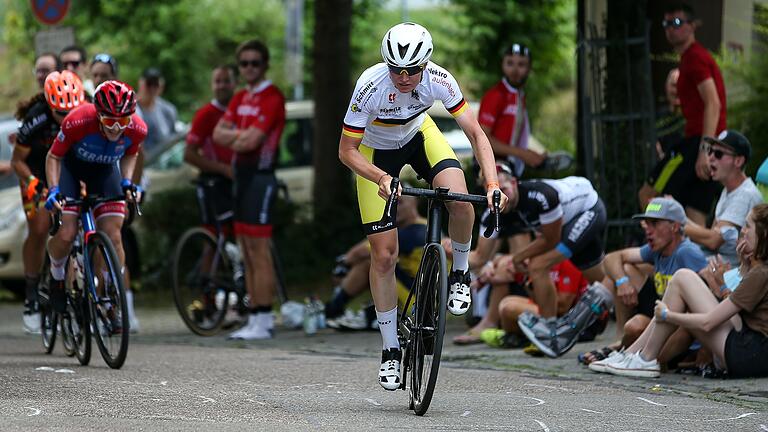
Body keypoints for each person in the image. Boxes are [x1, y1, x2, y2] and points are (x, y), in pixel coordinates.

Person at [338, 22, 507, 390]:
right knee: (384, 255)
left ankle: (461, 273)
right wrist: (380, 177)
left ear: (425, 65)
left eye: (412, 70)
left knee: (460, 200)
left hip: (419, 134)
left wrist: (492, 184)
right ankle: (391, 349)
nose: (403, 77)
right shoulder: (370, 86)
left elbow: (477, 135)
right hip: (374, 151)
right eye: (395, 68)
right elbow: (346, 151)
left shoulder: (440, 80)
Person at [601, 204, 768, 379]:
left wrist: (667, 315)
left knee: (682, 278)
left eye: (748, 226)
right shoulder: (759, 271)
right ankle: (634, 354)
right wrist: (743, 268)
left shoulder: (761, 273)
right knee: (681, 279)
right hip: (749, 347)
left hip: (746, 355)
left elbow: (707, 323)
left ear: (763, 234)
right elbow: (739, 311)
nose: (742, 231)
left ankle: (643, 357)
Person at [44, 80, 145, 325]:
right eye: (110, 121)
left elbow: (132, 153)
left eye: (123, 121)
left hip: (105, 172)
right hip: (71, 169)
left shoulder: (138, 128)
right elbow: (54, 156)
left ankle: (110, 294)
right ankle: (57, 275)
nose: (117, 128)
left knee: (114, 234)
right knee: (67, 233)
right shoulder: (77, 121)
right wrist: (55, 190)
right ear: (98, 114)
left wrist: (128, 182)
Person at [213, 40, 286, 341]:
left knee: (259, 251)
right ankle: (254, 315)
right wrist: (240, 136)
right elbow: (218, 134)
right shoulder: (240, 95)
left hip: (261, 177)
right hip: (240, 177)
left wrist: (237, 136)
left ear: (265, 64)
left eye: (255, 62)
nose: (249, 68)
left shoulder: (272, 97)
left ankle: (264, 318)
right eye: (244, 63)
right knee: (244, 247)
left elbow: (251, 142)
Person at [584, 197, 707, 364]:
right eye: (646, 223)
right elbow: (612, 258)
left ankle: (624, 351)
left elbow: (701, 308)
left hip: (682, 333)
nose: (648, 230)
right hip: (663, 318)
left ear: (675, 226)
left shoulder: (687, 252)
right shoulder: (656, 249)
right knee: (624, 270)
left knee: (635, 326)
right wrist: (622, 283)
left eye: (654, 223)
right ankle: (620, 343)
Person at [638, 2, 726, 226]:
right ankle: (686, 257)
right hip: (711, 145)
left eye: (677, 22)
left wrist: (704, 151)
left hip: (698, 144)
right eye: (666, 23)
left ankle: (657, 248)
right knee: (694, 214)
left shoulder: (694, 58)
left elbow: (713, 103)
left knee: (648, 196)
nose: (670, 28)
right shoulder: (689, 60)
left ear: (692, 25)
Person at [12, 71, 85, 333]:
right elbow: (16, 161)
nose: (67, 118)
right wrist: (33, 183)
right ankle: (31, 295)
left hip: (68, 172)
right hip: (36, 175)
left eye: (71, 112)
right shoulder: (37, 118)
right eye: (60, 113)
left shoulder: (86, 109)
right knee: (41, 227)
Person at [326, 192, 426, 329]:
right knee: (382, 262)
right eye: (393, 204)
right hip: (418, 293)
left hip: (418, 299)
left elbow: (364, 250)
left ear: (414, 203)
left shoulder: (417, 230)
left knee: (372, 263)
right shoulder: (422, 228)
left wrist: (343, 264)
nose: (395, 208)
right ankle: (373, 311)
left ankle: (333, 309)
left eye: (401, 203)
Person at [685, 131, 762, 269]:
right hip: (717, 264)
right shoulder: (728, 190)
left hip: (734, 273)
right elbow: (713, 233)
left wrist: (676, 225)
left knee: (678, 256)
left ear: (738, 161)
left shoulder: (745, 194)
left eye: (718, 154)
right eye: (709, 151)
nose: (710, 158)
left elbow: (713, 240)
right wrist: (677, 216)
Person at [477, 43, 545, 178]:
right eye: (510, 63)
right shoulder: (495, 95)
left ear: (529, 68)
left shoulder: (520, 95)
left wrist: (531, 154)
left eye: (521, 64)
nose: (515, 70)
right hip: (491, 165)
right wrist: (522, 153)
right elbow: (483, 139)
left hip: (508, 163)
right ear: (502, 65)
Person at [185, 65, 237, 225]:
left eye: (226, 81)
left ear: (235, 83)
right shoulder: (205, 114)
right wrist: (223, 169)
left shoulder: (242, 110)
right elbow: (189, 154)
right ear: (212, 85)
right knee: (214, 236)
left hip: (240, 180)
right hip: (214, 184)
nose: (221, 85)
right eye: (217, 81)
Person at [136, 67, 178, 154]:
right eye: (149, 84)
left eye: (155, 85)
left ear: (161, 86)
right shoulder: (129, 108)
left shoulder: (168, 110)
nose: (152, 88)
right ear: (141, 83)